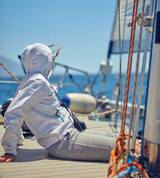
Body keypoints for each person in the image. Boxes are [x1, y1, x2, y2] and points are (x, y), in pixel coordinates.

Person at [0, 43, 140, 163]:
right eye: (50, 59)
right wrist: (10, 150)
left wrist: (17, 141)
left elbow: (18, 110)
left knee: (125, 138)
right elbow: (14, 111)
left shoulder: (33, 80)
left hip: (70, 134)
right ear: (46, 61)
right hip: (62, 142)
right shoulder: (37, 82)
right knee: (128, 148)